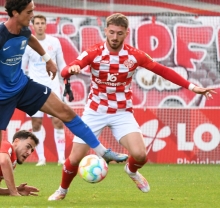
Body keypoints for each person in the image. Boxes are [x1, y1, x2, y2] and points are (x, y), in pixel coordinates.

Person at [48, 13, 216, 200]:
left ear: (126, 33)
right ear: (105, 31)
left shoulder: (134, 55)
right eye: (111, 32)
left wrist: (192, 87)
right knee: (74, 158)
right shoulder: (94, 52)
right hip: (95, 111)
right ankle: (62, 191)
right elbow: (67, 69)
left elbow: (162, 70)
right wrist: (73, 68)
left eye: (119, 33)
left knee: (140, 155)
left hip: (122, 112)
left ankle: (131, 170)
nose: (114, 37)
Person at [0, 0, 128, 167]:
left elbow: (30, 38)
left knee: (65, 111)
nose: (32, 15)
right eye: (29, 12)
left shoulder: (24, 29)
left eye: (33, 11)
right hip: (3, 97)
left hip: (23, 87)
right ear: (15, 13)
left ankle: (103, 152)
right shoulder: (2, 35)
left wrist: (47, 60)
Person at [22, 14, 67, 166]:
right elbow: (22, 69)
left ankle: (61, 158)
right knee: (36, 123)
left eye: (42, 23)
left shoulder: (54, 42)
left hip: (53, 87)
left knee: (58, 121)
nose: (40, 25)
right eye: (37, 23)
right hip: (34, 88)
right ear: (32, 26)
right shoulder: (28, 44)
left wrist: (67, 82)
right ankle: (41, 158)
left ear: (46, 25)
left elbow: (61, 64)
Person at [0, 130, 39, 196]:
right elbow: (4, 161)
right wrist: (14, 192)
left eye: (32, 150)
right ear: (16, 141)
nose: (29, 153)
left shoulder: (13, 163)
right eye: (28, 147)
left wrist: (17, 190)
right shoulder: (6, 144)